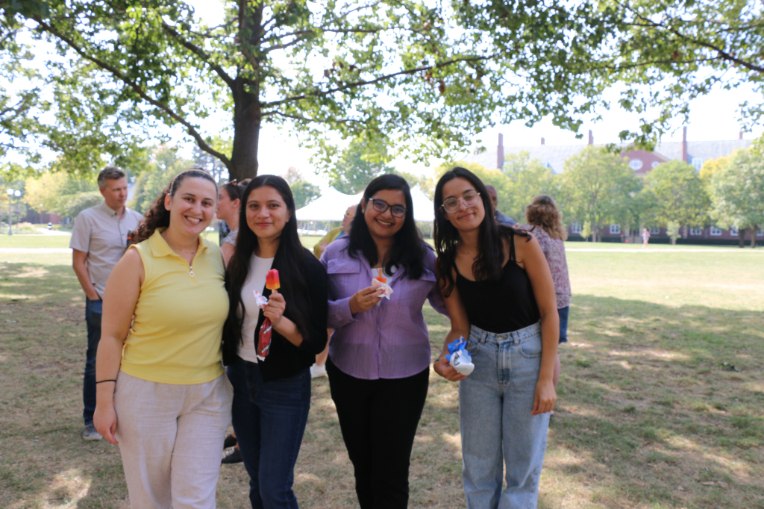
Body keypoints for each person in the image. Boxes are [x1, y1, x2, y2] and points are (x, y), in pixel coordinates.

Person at [93, 169, 232, 508]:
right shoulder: (136, 259)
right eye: (189, 199)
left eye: (206, 203)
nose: (197, 209)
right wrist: (103, 402)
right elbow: (111, 336)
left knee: (196, 498)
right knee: (152, 500)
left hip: (209, 395)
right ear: (169, 201)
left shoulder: (216, 256)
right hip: (146, 395)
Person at [432, 167, 558, 509]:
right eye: (451, 202)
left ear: (483, 199)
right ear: (443, 214)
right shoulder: (446, 263)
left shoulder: (521, 242)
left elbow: (549, 313)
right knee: (478, 468)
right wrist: (444, 359)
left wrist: (546, 378)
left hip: (527, 359)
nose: (463, 206)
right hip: (480, 363)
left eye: (469, 196)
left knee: (522, 472)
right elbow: (460, 327)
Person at [321, 174, 448, 509]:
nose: (387, 214)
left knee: (391, 472)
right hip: (348, 372)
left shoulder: (423, 257)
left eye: (398, 209)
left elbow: (452, 305)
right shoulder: (335, 253)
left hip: (405, 376)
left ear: (407, 216)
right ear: (364, 205)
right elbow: (314, 312)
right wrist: (349, 306)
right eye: (379, 204)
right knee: (363, 467)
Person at [222, 175, 328, 508]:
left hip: (284, 384)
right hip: (241, 378)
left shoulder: (307, 267)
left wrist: (280, 322)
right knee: (256, 482)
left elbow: (313, 342)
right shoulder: (237, 261)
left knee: (274, 489)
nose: (262, 214)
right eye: (254, 206)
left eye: (272, 205)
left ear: (289, 211)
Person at [69, 165, 143, 441]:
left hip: (134, 301)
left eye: (124, 187)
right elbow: (78, 262)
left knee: (130, 358)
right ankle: (91, 419)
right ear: (103, 191)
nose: (122, 193)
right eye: (116, 189)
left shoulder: (137, 219)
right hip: (100, 299)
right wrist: (92, 295)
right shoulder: (87, 219)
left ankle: (124, 414)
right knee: (97, 359)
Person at [523, 195, 571, 388]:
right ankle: (549, 399)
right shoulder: (557, 237)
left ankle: (541, 393)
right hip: (562, 299)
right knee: (552, 352)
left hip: (541, 300)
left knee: (536, 350)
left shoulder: (530, 233)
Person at [310, 204, 356, 378]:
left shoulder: (359, 237)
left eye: (349, 214)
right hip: (323, 281)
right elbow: (317, 247)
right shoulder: (335, 232)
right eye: (345, 213)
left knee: (329, 327)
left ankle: (319, 363)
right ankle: (318, 362)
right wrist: (324, 250)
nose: (344, 217)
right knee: (321, 324)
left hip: (340, 288)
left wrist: (326, 249)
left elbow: (326, 250)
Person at [217, 181, 243, 264]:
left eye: (220, 198)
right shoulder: (238, 234)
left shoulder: (233, 240)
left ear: (235, 203)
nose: (215, 202)